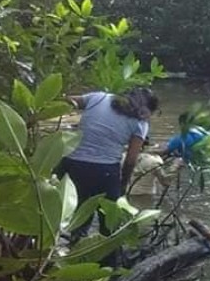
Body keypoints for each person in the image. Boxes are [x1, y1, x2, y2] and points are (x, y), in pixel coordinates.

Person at [58, 87, 159, 235]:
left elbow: (67, 101)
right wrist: (123, 185)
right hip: (105, 171)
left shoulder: (98, 97)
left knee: (79, 218)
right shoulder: (140, 123)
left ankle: (72, 248)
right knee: (109, 224)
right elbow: (131, 160)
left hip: (72, 165)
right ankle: (107, 256)